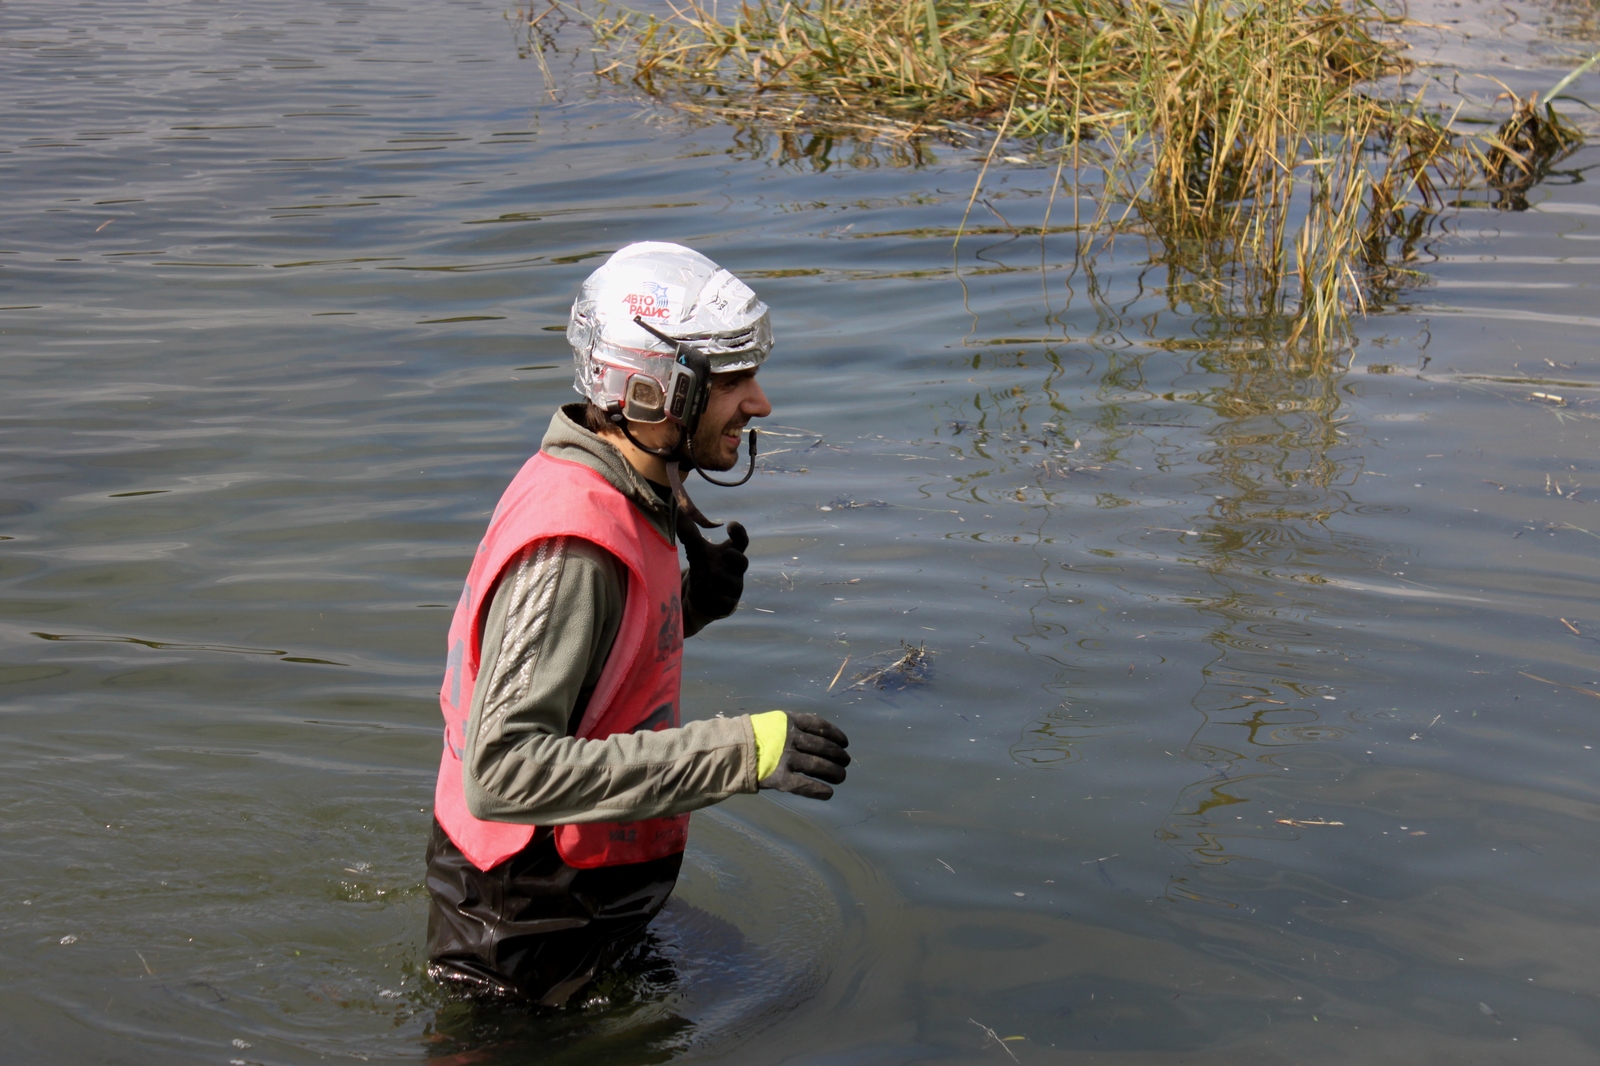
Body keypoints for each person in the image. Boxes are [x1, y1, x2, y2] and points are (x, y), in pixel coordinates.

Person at [424, 241, 852, 1007]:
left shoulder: (628, 485)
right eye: (733, 381)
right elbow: (501, 773)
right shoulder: (570, 551)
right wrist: (738, 752)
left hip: (591, 902)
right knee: (798, 1000)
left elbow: (591, 674)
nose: (760, 403)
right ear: (657, 393)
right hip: (523, 941)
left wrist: (686, 608)